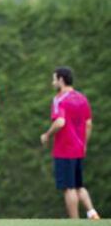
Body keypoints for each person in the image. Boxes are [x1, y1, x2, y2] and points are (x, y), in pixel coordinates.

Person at [40, 67, 100, 219]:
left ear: (61, 80)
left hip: (64, 149)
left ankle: (74, 221)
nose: (52, 83)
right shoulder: (82, 98)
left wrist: (47, 135)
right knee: (79, 186)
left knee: (69, 188)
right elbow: (88, 123)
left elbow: (60, 122)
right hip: (79, 149)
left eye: (54, 79)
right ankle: (92, 213)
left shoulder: (59, 99)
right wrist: (84, 144)